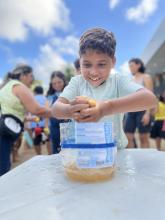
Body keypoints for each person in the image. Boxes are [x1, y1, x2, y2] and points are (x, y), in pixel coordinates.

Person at [52, 28, 156, 149]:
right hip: (84, 153)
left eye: (101, 64)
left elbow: (150, 99)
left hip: (115, 152)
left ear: (113, 62)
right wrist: (70, 110)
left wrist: (106, 108)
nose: (94, 72)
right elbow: (55, 109)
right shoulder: (77, 82)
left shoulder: (117, 81)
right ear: (79, 62)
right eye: (87, 64)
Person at [0, 65, 51, 176]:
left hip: (4, 131)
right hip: (3, 134)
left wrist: (29, 118)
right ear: (23, 75)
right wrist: (59, 112)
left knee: (4, 165)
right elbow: (37, 109)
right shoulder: (19, 86)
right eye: (31, 76)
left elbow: (10, 113)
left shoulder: (6, 87)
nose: (32, 79)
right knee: (3, 169)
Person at [124, 58, 154, 148]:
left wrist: (147, 114)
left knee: (143, 138)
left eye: (132, 65)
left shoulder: (146, 77)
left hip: (143, 111)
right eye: (129, 66)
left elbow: (150, 96)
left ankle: (146, 161)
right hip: (131, 111)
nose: (130, 68)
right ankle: (132, 160)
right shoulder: (131, 80)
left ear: (139, 65)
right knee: (128, 136)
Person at [46, 71, 67, 154]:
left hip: (68, 125)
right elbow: (46, 112)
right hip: (54, 127)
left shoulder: (70, 92)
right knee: (56, 149)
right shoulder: (50, 96)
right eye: (54, 83)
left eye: (59, 82)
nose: (57, 85)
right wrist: (46, 126)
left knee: (68, 148)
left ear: (64, 81)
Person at [30, 86, 50, 155]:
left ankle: (39, 155)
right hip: (45, 124)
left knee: (36, 141)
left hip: (34, 124)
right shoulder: (46, 99)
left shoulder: (32, 99)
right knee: (48, 140)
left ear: (35, 92)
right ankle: (50, 154)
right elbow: (47, 111)